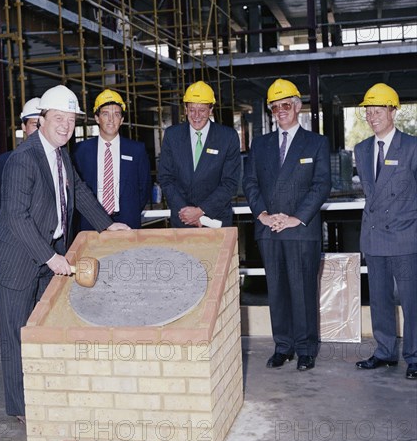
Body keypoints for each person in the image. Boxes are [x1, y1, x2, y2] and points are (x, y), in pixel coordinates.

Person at [0, 85, 130, 423]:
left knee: (44, 331)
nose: (65, 125)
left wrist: (106, 226)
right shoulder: (24, 159)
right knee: (17, 335)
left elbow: (77, 189)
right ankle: (21, 409)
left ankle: (42, 394)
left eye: (71, 120)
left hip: (47, 257)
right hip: (17, 262)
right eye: (58, 118)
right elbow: (17, 217)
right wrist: (51, 258)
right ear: (43, 119)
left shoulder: (61, 152)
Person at [242, 79, 331, 371]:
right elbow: (250, 182)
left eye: (285, 105)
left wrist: (295, 218)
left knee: (303, 290)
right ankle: (283, 347)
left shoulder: (316, 142)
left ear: (297, 106)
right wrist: (264, 215)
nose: (280, 111)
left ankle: (305, 349)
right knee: (277, 291)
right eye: (275, 107)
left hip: (300, 230)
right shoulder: (261, 144)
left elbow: (321, 186)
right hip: (269, 229)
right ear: (270, 111)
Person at [353, 83, 417, 380]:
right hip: (375, 235)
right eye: (369, 110)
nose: (372, 116)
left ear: (393, 111)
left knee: (411, 299)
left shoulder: (412, 147)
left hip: (405, 236)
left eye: (378, 110)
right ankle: (385, 352)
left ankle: (414, 356)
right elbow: (372, 193)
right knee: (379, 298)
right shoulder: (362, 149)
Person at [157, 81, 240, 228]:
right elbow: (165, 178)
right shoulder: (172, 135)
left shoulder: (228, 137)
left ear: (211, 109)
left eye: (201, 110)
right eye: (192, 109)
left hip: (215, 219)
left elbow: (230, 183)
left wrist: (201, 211)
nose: (196, 115)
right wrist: (186, 212)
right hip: (182, 219)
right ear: (185, 109)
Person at [72, 89, 151, 230]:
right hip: (91, 223)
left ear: (122, 120)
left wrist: (130, 211)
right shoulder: (81, 151)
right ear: (97, 118)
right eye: (105, 114)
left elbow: (144, 188)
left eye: (116, 114)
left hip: (127, 223)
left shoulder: (136, 150)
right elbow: (77, 190)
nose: (111, 119)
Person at [0, 97, 41, 218]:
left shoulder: (59, 160)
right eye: (35, 124)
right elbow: (0, 204)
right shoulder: (5, 161)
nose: (40, 130)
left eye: (43, 124)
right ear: (24, 127)